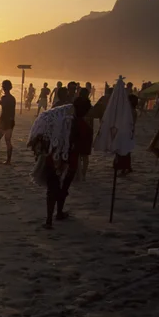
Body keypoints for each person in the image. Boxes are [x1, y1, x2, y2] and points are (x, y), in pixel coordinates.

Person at [43, 96, 89, 229]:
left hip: (53, 160)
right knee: (63, 189)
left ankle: (49, 220)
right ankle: (59, 212)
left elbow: (46, 137)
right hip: (70, 164)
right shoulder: (85, 127)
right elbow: (84, 150)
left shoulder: (59, 121)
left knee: (51, 190)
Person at [0, 80, 16, 165]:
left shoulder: (4, 98)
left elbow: (4, 108)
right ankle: (8, 161)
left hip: (3, 120)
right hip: (11, 120)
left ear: (3, 87)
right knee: (8, 140)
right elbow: (12, 111)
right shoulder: (13, 98)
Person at [74, 90, 93, 180]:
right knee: (85, 155)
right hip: (87, 130)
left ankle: (78, 173)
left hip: (78, 128)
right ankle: (83, 174)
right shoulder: (89, 104)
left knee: (77, 153)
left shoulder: (77, 102)